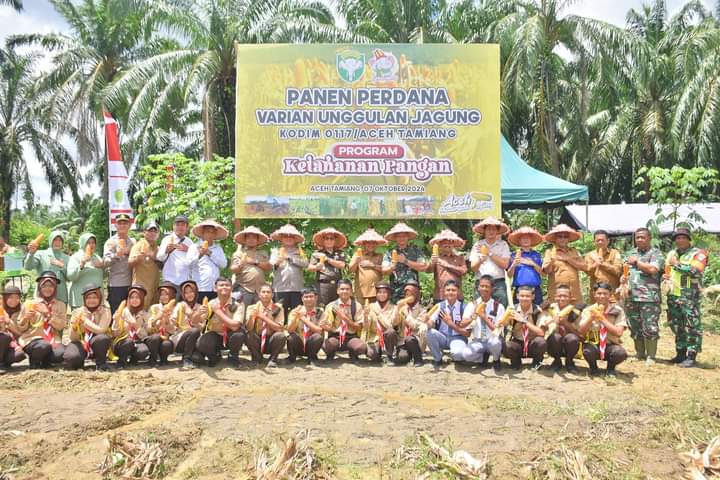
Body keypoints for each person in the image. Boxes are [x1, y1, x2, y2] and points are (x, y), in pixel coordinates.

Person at [665, 227, 708, 368]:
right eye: (677, 238)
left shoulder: (698, 253)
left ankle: (691, 355)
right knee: (677, 325)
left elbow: (695, 271)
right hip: (673, 295)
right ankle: (680, 353)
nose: (680, 240)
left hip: (689, 296)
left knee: (692, 326)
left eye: (683, 237)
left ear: (689, 239)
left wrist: (676, 264)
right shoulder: (673, 253)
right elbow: (667, 270)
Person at [622, 227, 663, 365]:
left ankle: (651, 356)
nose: (639, 240)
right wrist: (623, 278)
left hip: (649, 297)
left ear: (649, 238)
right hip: (631, 296)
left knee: (650, 326)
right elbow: (624, 270)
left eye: (642, 237)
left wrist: (637, 262)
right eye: (637, 237)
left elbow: (653, 269)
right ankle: (640, 352)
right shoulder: (631, 253)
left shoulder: (655, 253)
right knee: (634, 325)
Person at [16, 271, 67, 368]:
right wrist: (25, 318)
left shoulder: (60, 305)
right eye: (44, 286)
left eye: (51, 286)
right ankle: (35, 362)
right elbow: (20, 328)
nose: (48, 289)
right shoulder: (30, 303)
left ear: (55, 288)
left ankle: (44, 361)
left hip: (53, 340)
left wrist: (47, 314)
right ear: (40, 287)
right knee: (43, 346)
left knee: (60, 354)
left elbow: (61, 326)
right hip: (32, 339)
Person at [578, 282, 628, 376]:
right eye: (599, 293)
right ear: (594, 294)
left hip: (610, 345)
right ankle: (593, 368)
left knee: (620, 353)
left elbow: (618, 332)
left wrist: (602, 319)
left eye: (605, 294)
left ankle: (610, 369)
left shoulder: (617, 310)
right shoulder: (588, 310)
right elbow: (581, 331)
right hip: (594, 344)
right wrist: (591, 318)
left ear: (610, 295)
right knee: (587, 351)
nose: (602, 296)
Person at [197, 277, 246, 367]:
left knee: (239, 334)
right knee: (202, 342)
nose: (224, 287)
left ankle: (233, 356)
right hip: (216, 336)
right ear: (215, 288)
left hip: (231, 336)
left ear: (231, 288)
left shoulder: (238, 304)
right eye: (221, 285)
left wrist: (218, 311)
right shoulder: (210, 304)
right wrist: (198, 313)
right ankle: (214, 357)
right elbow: (200, 321)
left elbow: (235, 326)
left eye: (227, 285)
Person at [64, 285, 112, 371]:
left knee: (102, 339)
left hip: (97, 343)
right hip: (81, 342)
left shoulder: (105, 311)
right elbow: (72, 338)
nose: (91, 300)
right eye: (88, 298)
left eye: (94, 297)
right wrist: (74, 327)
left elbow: (101, 330)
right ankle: (80, 362)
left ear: (100, 298)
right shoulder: (78, 312)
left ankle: (101, 363)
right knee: (71, 357)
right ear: (84, 299)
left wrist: (85, 321)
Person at [461, 275, 504, 369]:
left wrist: (484, 317)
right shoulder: (472, 304)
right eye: (482, 286)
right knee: (466, 354)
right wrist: (473, 317)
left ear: (492, 289)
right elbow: (462, 324)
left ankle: (496, 359)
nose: (484, 289)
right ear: (478, 288)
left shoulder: (498, 306)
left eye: (487, 286)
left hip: (492, 339)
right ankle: (482, 357)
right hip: (478, 340)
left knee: (495, 343)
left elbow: (498, 331)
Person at [426, 280, 471, 369]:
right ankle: (438, 358)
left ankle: (455, 356)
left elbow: (467, 333)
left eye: (453, 290)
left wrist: (450, 323)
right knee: (430, 332)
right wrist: (427, 321)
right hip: (442, 337)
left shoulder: (464, 307)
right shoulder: (439, 306)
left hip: (458, 337)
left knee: (457, 354)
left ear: (458, 292)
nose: (450, 292)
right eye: (448, 290)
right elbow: (431, 324)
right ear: (444, 292)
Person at [320, 279, 368, 362]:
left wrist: (344, 318)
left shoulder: (357, 306)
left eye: (347, 289)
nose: (344, 291)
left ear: (351, 291)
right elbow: (329, 327)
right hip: (335, 336)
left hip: (351, 337)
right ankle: (331, 353)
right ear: (337, 291)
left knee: (361, 347)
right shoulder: (330, 306)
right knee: (326, 346)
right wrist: (325, 326)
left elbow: (359, 328)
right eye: (342, 289)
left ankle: (353, 353)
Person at [540, 284, 583, 373]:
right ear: (555, 297)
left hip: (570, 345)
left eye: (565, 296)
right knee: (555, 337)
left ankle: (570, 362)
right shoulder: (549, 308)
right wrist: (551, 321)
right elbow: (542, 327)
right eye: (559, 296)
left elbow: (580, 335)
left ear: (570, 298)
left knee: (572, 338)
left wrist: (565, 324)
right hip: (553, 344)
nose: (562, 299)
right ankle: (557, 361)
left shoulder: (575, 311)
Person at [469, 217, 511, 306]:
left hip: (498, 283)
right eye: (488, 229)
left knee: (501, 309)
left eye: (494, 229)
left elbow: (505, 265)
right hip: (481, 282)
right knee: (479, 309)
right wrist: (480, 260)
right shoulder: (478, 245)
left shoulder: (503, 244)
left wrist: (490, 253)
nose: (491, 231)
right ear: (484, 231)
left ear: (497, 231)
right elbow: (473, 268)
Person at [269, 224, 308, 320]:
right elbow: (270, 265)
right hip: (280, 288)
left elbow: (305, 263)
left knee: (296, 314)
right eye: (285, 236)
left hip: (297, 288)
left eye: (291, 236)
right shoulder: (275, 251)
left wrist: (290, 258)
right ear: (281, 238)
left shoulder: (300, 251)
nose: (288, 238)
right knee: (280, 314)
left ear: (295, 239)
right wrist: (278, 260)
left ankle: (295, 333)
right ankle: (280, 333)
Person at [503, 285, 547, 370]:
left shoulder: (538, 310)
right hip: (517, 342)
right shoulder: (512, 309)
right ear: (517, 296)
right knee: (507, 345)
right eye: (522, 296)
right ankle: (516, 362)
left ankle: (537, 362)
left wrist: (523, 321)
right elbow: (502, 325)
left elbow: (541, 332)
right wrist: (508, 319)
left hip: (532, 343)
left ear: (533, 297)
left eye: (528, 296)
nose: (524, 298)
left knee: (541, 342)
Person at [382, 222, 428, 302]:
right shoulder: (389, 252)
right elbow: (384, 271)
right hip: (395, 291)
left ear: (408, 237)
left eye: (404, 236)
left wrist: (405, 261)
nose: (401, 238)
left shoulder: (416, 251)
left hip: (412, 289)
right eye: (399, 236)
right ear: (395, 238)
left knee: (413, 313)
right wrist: (392, 266)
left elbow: (423, 267)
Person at [542, 224, 586, 304]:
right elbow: (547, 271)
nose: (563, 239)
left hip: (574, 293)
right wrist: (552, 260)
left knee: (576, 315)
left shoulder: (574, 251)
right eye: (560, 236)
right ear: (555, 239)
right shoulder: (549, 252)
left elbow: (584, 267)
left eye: (565, 237)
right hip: (557, 294)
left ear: (568, 239)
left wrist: (568, 259)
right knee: (557, 315)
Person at [246, 283, 286, 367]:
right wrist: (251, 317)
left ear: (272, 294)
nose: (265, 294)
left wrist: (263, 317)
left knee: (280, 336)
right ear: (259, 294)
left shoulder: (278, 308)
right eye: (263, 292)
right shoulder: (252, 308)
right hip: (258, 339)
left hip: (271, 339)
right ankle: (257, 358)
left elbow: (279, 328)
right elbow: (249, 328)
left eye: (268, 292)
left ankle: (273, 359)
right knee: (248, 335)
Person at [230, 225, 271, 306]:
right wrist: (240, 265)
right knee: (242, 314)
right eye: (248, 238)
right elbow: (233, 269)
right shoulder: (239, 253)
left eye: (254, 238)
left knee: (258, 314)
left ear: (257, 240)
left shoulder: (263, 253)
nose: (251, 240)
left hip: (260, 290)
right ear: (245, 240)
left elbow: (269, 267)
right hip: (243, 288)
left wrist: (254, 262)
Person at [103, 214, 137, 313]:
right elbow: (105, 261)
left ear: (129, 225)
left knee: (130, 313)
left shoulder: (133, 242)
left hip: (132, 283)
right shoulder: (111, 242)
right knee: (117, 313)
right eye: (120, 223)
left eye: (125, 223)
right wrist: (116, 256)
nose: (122, 225)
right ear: (115, 226)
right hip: (117, 284)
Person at [24, 230, 70, 304]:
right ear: (50, 241)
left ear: (63, 243)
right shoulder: (41, 254)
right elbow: (28, 267)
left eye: (60, 240)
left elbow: (69, 278)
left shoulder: (67, 258)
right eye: (55, 240)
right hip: (43, 293)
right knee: (40, 315)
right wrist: (31, 254)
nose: (57, 243)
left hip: (60, 294)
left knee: (59, 314)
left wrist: (61, 266)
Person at [111, 284, 151, 368]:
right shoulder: (122, 312)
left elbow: (145, 335)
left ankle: (134, 359)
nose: (134, 300)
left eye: (137, 298)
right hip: (121, 343)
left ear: (142, 299)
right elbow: (114, 333)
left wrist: (137, 327)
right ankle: (121, 362)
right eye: (132, 297)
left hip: (137, 342)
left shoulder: (144, 314)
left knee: (143, 351)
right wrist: (117, 321)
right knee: (128, 342)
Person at [189, 219, 229, 303]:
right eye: (208, 231)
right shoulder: (194, 247)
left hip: (215, 288)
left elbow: (223, 264)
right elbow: (189, 264)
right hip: (200, 287)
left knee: (213, 313)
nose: (210, 234)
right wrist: (200, 255)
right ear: (202, 233)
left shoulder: (218, 248)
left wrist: (210, 254)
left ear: (215, 234)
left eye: (212, 232)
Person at [170, 279, 206, 369]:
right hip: (180, 338)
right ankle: (186, 359)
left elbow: (203, 328)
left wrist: (195, 317)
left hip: (196, 339)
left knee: (199, 359)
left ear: (196, 292)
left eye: (191, 292)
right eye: (186, 293)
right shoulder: (180, 305)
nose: (189, 294)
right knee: (193, 331)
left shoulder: (200, 307)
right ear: (183, 294)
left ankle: (191, 356)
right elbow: (172, 321)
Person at [307, 227, 347, 307]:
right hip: (322, 285)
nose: (329, 240)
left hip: (337, 285)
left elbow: (342, 265)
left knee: (337, 308)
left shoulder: (339, 253)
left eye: (331, 238)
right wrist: (316, 267)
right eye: (326, 238)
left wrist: (327, 259)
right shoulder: (317, 253)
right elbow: (310, 268)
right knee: (322, 308)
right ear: (323, 240)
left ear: (335, 241)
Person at [392, 280, 428, 367]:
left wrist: (406, 315)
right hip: (403, 340)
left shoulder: (422, 310)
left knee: (410, 339)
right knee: (401, 359)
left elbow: (415, 326)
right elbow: (394, 323)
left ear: (416, 295)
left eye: (411, 294)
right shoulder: (402, 308)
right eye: (406, 295)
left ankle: (418, 359)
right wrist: (397, 309)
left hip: (416, 340)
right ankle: (408, 356)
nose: (408, 297)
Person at [286, 287, 325, 364]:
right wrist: (296, 317)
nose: (308, 299)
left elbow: (319, 330)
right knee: (291, 337)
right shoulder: (295, 311)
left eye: (311, 296)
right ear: (302, 299)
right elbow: (289, 330)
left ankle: (312, 358)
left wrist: (303, 318)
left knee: (318, 337)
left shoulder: (320, 312)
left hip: (311, 345)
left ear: (316, 298)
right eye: (306, 297)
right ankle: (292, 357)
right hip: (299, 344)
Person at [427, 229, 467, 303]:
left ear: (453, 245)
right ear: (440, 245)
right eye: (444, 242)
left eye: (450, 242)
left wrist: (447, 265)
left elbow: (464, 271)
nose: (447, 244)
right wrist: (432, 262)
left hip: (457, 295)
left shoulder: (460, 258)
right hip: (440, 295)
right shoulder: (436, 257)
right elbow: (428, 270)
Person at [157, 215, 195, 291]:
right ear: (173, 227)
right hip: (170, 280)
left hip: (185, 281)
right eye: (177, 225)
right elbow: (159, 257)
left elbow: (194, 261)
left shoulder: (189, 242)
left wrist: (188, 250)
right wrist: (166, 250)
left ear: (187, 228)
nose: (180, 227)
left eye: (183, 225)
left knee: (182, 303)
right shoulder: (167, 239)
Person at [66, 233, 104, 309]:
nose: (91, 245)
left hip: (96, 299)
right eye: (88, 242)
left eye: (93, 242)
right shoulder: (75, 257)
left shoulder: (97, 257)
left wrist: (103, 266)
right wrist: (82, 264)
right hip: (80, 300)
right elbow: (70, 276)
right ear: (83, 243)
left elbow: (103, 276)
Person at [507, 226, 544, 305]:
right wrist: (513, 264)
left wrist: (532, 263)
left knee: (537, 313)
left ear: (531, 240)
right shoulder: (513, 255)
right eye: (523, 238)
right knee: (519, 313)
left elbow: (543, 273)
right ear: (519, 241)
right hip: (520, 289)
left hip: (535, 289)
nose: (526, 240)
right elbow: (509, 275)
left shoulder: (536, 255)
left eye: (528, 238)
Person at [128, 221, 161, 309]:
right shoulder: (138, 246)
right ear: (144, 232)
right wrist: (138, 258)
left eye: (155, 231)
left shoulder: (158, 248)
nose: (153, 233)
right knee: (139, 313)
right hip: (141, 289)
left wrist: (154, 257)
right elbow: (130, 263)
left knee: (153, 313)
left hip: (154, 288)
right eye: (150, 231)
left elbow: (162, 265)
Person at [348, 228, 386, 303]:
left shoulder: (380, 256)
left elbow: (386, 270)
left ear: (376, 244)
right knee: (361, 313)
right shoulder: (357, 254)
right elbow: (350, 270)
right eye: (368, 243)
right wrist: (357, 261)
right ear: (364, 244)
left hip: (377, 292)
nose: (371, 245)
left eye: (373, 243)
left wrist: (372, 265)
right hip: (361, 292)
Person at [584, 230, 623, 303]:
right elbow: (588, 272)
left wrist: (603, 264)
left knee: (613, 313)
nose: (600, 242)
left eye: (602, 240)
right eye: (598, 240)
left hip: (612, 294)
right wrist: (595, 264)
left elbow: (618, 271)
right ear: (594, 242)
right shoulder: (590, 255)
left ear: (608, 241)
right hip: (596, 294)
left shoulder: (615, 253)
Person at [363, 281, 397, 362]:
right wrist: (365, 316)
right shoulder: (370, 307)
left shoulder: (394, 308)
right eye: (379, 292)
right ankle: (378, 354)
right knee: (372, 355)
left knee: (391, 332)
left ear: (388, 294)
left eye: (384, 292)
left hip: (388, 337)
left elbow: (390, 325)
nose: (382, 294)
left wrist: (379, 313)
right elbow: (366, 327)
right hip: (375, 336)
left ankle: (389, 355)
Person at [145, 281, 178, 365]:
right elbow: (148, 327)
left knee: (166, 344)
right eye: (162, 294)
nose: (164, 297)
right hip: (154, 337)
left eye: (167, 294)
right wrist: (158, 317)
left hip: (167, 337)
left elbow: (173, 330)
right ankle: (153, 358)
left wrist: (166, 320)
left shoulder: (176, 309)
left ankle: (164, 359)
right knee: (155, 338)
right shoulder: (154, 307)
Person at [0, 286, 26, 372]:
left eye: (17, 298)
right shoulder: (1, 309)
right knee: (5, 337)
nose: (14, 300)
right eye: (10, 297)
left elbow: (20, 333)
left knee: (20, 355)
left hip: (12, 343)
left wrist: (8, 322)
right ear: (5, 298)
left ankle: (3, 363)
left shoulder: (23, 311)